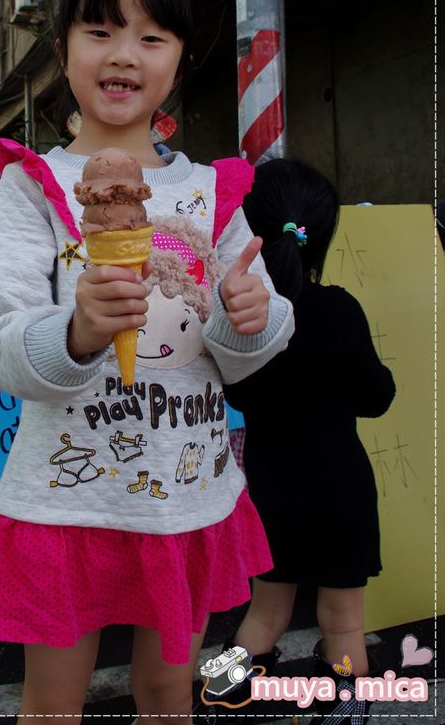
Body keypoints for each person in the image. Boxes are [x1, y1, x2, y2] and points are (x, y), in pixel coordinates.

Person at [0, 0, 294, 725]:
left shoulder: (212, 193)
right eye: (100, 30)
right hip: (65, 502)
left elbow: (253, 343)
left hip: (185, 496)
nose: (124, 54)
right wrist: (73, 333)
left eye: (152, 36)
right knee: (53, 702)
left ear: (179, 59)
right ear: (64, 49)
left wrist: (250, 319)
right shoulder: (33, 186)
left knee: (171, 692)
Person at [225, 157, 396, 724]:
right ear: (322, 236)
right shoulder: (340, 309)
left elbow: (242, 399)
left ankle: (218, 698)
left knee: (265, 615)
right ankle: (347, 711)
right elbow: (377, 397)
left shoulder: (243, 321)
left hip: (272, 486)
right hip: (343, 487)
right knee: (344, 622)